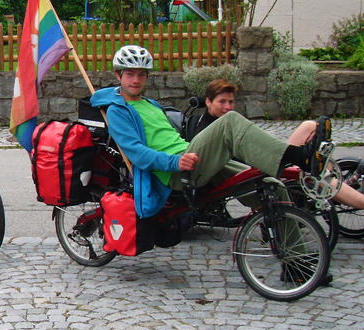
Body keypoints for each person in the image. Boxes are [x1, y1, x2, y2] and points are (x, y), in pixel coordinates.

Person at [89, 45, 337, 220]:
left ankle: (297, 260)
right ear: (118, 75)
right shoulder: (117, 111)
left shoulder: (151, 105)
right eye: (130, 74)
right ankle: (299, 157)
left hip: (189, 155)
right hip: (174, 172)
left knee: (270, 185)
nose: (136, 80)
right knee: (229, 122)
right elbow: (136, 154)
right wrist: (176, 162)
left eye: (141, 74)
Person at [187, 79, 364, 224]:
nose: (227, 107)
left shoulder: (226, 122)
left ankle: (324, 167)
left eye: (231, 102)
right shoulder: (206, 130)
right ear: (208, 102)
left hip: (263, 162)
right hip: (253, 172)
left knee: (310, 127)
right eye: (222, 102)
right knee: (319, 179)